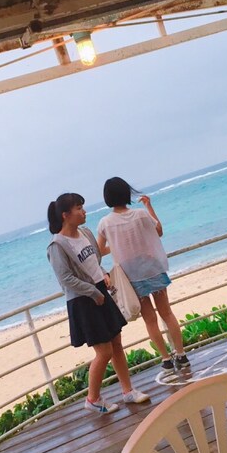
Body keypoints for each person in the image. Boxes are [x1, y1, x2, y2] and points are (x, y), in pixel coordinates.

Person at [47, 192, 150, 414]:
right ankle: (93, 398)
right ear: (65, 215)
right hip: (83, 301)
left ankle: (128, 391)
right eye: (78, 208)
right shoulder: (57, 245)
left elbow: (93, 262)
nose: (84, 211)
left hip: (100, 291)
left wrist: (103, 274)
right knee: (104, 351)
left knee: (117, 343)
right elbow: (65, 279)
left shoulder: (85, 233)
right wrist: (93, 292)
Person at [97, 177, 190, 371]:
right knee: (167, 313)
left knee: (150, 319)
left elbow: (99, 250)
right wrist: (149, 206)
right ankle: (181, 355)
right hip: (152, 267)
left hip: (131, 275)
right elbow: (159, 231)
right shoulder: (140, 214)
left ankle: (166, 359)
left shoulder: (105, 223)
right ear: (126, 193)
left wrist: (117, 246)